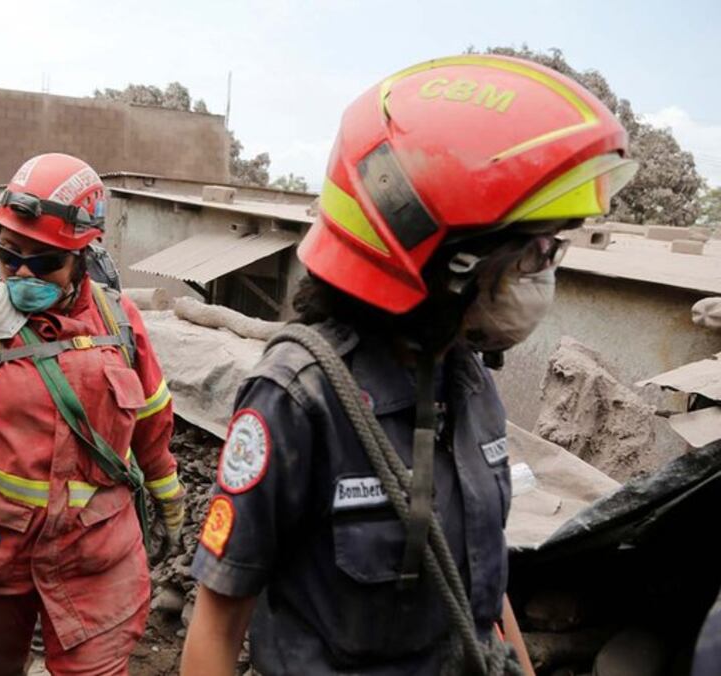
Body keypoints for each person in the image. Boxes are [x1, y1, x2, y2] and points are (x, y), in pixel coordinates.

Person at [181, 54, 637, 675]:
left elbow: (476, 585)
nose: (545, 274)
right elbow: (216, 624)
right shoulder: (299, 398)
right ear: (441, 262)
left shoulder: (469, 380)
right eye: (535, 252)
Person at [0, 153, 184, 674]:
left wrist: (168, 495)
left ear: (83, 254)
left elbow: (153, 420)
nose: (23, 272)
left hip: (96, 552)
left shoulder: (121, 324)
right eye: (10, 255)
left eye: (45, 260)